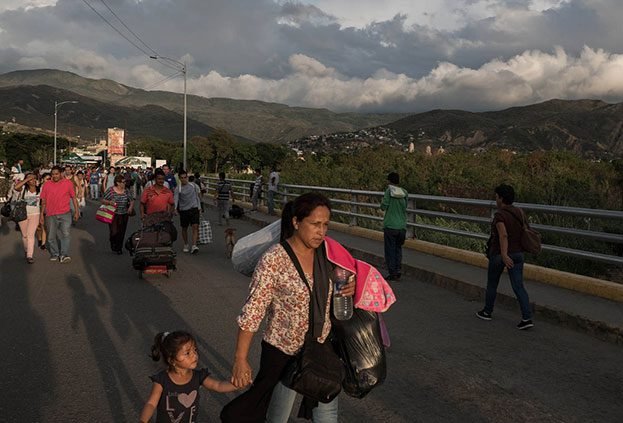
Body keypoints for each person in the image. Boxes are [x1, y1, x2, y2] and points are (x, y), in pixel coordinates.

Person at [223, 193, 355, 423]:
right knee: (278, 418)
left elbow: (344, 282)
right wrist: (240, 359)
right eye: (315, 224)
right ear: (296, 222)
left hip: (321, 351)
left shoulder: (329, 255)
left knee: (327, 417)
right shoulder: (274, 260)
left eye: (325, 225)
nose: (321, 232)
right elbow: (253, 312)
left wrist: (349, 286)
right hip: (284, 356)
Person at [139, 331, 238, 423]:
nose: (194, 355)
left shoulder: (198, 376)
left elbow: (218, 385)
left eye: (194, 350)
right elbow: (151, 403)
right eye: (187, 353)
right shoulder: (162, 380)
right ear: (171, 360)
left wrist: (237, 384)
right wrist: (143, 421)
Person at [477, 184, 534, 330]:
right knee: (518, 286)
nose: (495, 200)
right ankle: (527, 318)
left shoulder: (500, 215)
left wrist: (503, 254)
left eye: (496, 197)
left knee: (492, 283)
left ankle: (487, 311)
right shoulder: (519, 212)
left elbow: (503, 234)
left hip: (500, 254)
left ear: (501, 198)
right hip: (518, 254)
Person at [39, 166, 79, 263]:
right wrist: (41, 215)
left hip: (65, 213)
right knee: (51, 237)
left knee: (65, 234)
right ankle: (55, 253)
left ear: (61, 174)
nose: (55, 176)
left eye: (56, 174)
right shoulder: (47, 185)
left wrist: (77, 211)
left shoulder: (68, 183)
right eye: (53, 174)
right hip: (50, 214)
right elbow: (43, 201)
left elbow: (74, 198)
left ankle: (64, 254)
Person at [380, 172, 408, 281]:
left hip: (390, 225)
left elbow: (384, 206)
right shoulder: (404, 192)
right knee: (398, 249)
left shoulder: (388, 192)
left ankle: (392, 273)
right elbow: (405, 206)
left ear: (389, 181)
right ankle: (398, 269)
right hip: (401, 226)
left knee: (390, 250)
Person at [102, 175, 135, 255]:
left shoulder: (126, 191)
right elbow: (103, 200)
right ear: (118, 183)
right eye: (123, 182)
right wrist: (109, 202)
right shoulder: (111, 191)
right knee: (114, 232)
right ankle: (113, 241)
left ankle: (119, 248)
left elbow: (131, 200)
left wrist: (130, 207)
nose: (125, 183)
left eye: (125, 182)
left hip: (124, 214)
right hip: (113, 214)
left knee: (121, 232)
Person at [13, 173, 41, 264]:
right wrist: (26, 180)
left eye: (34, 178)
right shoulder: (23, 189)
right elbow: (16, 187)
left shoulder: (39, 189)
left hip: (35, 214)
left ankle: (30, 255)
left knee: (30, 234)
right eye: (31, 179)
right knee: (24, 235)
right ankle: (27, 250)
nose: (33, 180)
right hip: (23, 214)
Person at [174, 170, 201, 254]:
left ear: (187, 177)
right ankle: (186, 244)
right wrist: (175, 209)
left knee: (195, 226)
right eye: (181, 178)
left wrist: (199, 207)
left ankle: (194, 245)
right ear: (179, 179)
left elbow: (197, 197)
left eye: (185, 177)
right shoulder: (178, 188)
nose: (183, 179)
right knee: (184, 228)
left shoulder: (193, 186)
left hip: (194, 208)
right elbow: (176, 199)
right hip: (184, 210)